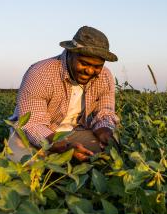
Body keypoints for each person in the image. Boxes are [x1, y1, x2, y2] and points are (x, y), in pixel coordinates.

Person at [8, 26, 119, 162]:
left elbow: (105, 113)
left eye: (97, 66)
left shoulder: (105, 76)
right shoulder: (40, 73)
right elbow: (32, 124)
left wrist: (104, 131)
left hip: (75, 133)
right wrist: (66, 148)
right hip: (36, 134)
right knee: (23, 166)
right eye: (84, 63)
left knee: (110, 153)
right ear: (70, 53)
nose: (90, 71)